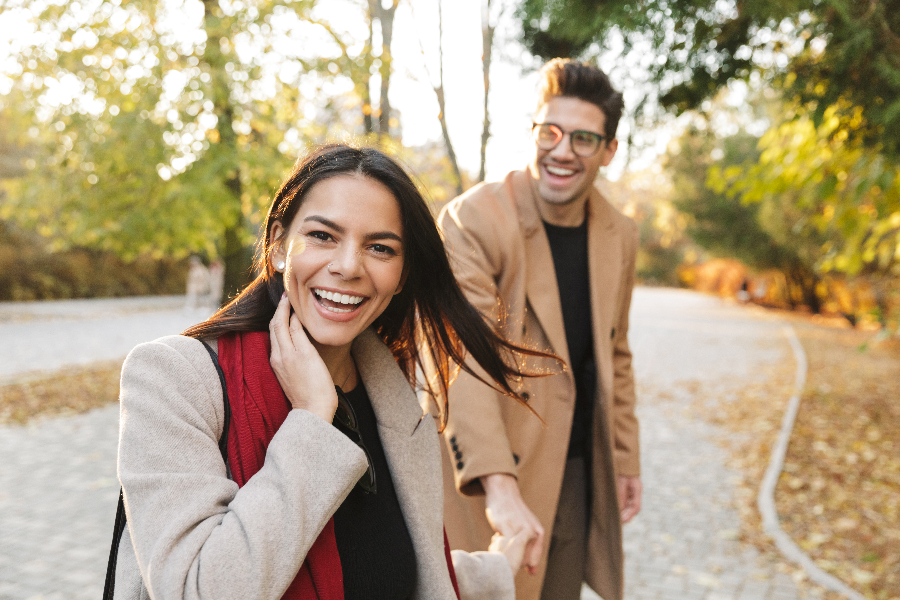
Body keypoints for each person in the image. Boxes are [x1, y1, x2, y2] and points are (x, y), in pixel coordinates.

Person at [112, 144, 553, 599]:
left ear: (401, 275)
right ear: (279, 245)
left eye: (380, 248)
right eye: (323, 236)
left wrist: (494, 570)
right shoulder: (175, 379)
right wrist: (311, 420)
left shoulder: (394, 397)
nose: (347, 266)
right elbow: (196, 590)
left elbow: (381, 566)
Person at [434, 59, 641, 600]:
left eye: (582, 138)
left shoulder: (621, 233)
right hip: (493, 465)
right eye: (549, 131)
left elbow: (615, 351)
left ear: (608, 150)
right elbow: (462, 354)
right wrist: (499, 488)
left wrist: (624, 461)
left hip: (576, 468)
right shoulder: (472, 220)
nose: (562, 150)